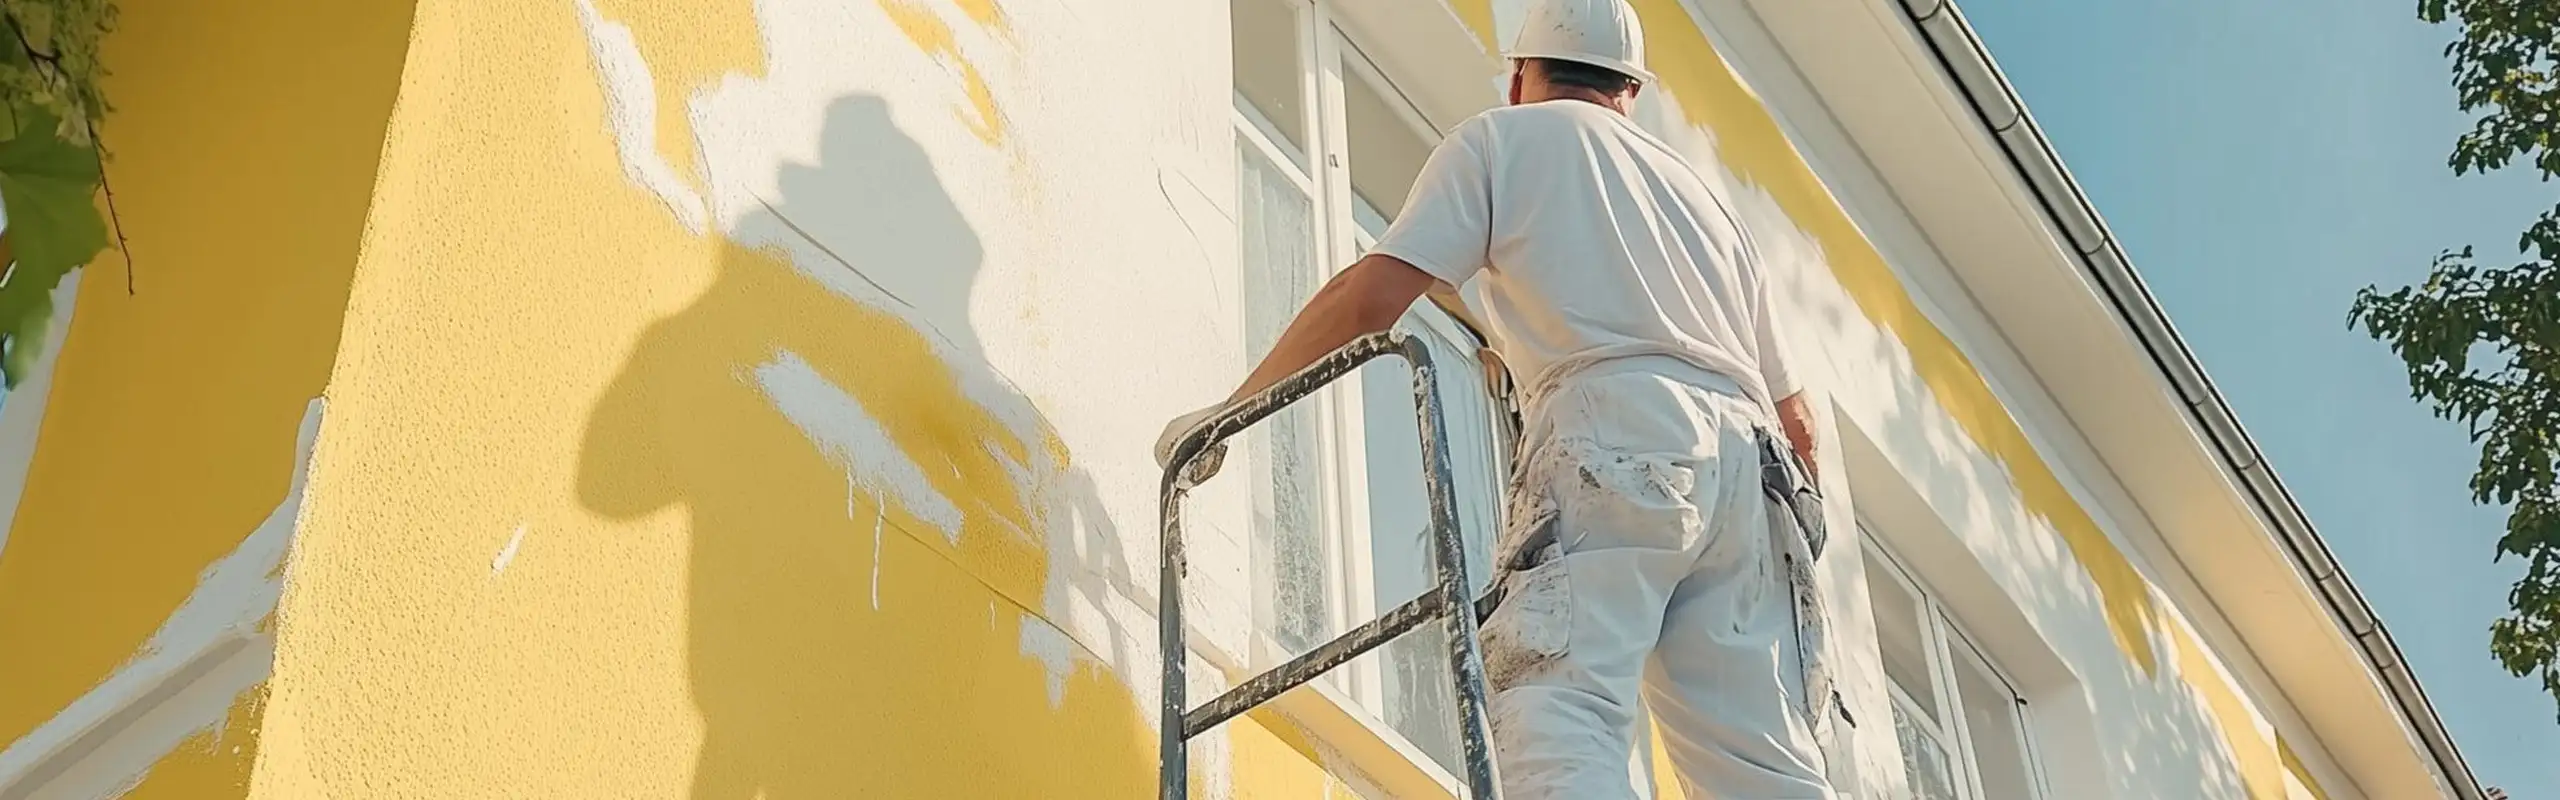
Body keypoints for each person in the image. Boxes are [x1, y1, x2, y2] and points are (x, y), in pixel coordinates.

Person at [1155, 0, 1835, 796]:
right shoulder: (1713, 210)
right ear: (1630, 93)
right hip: (1757, 477)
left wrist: (1227, 416)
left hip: (1614, 426)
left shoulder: (1502, 140)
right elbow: (1801, 425)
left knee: (1562, 708)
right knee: (1762, 765)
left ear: (1520, 77)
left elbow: (1369, 296)